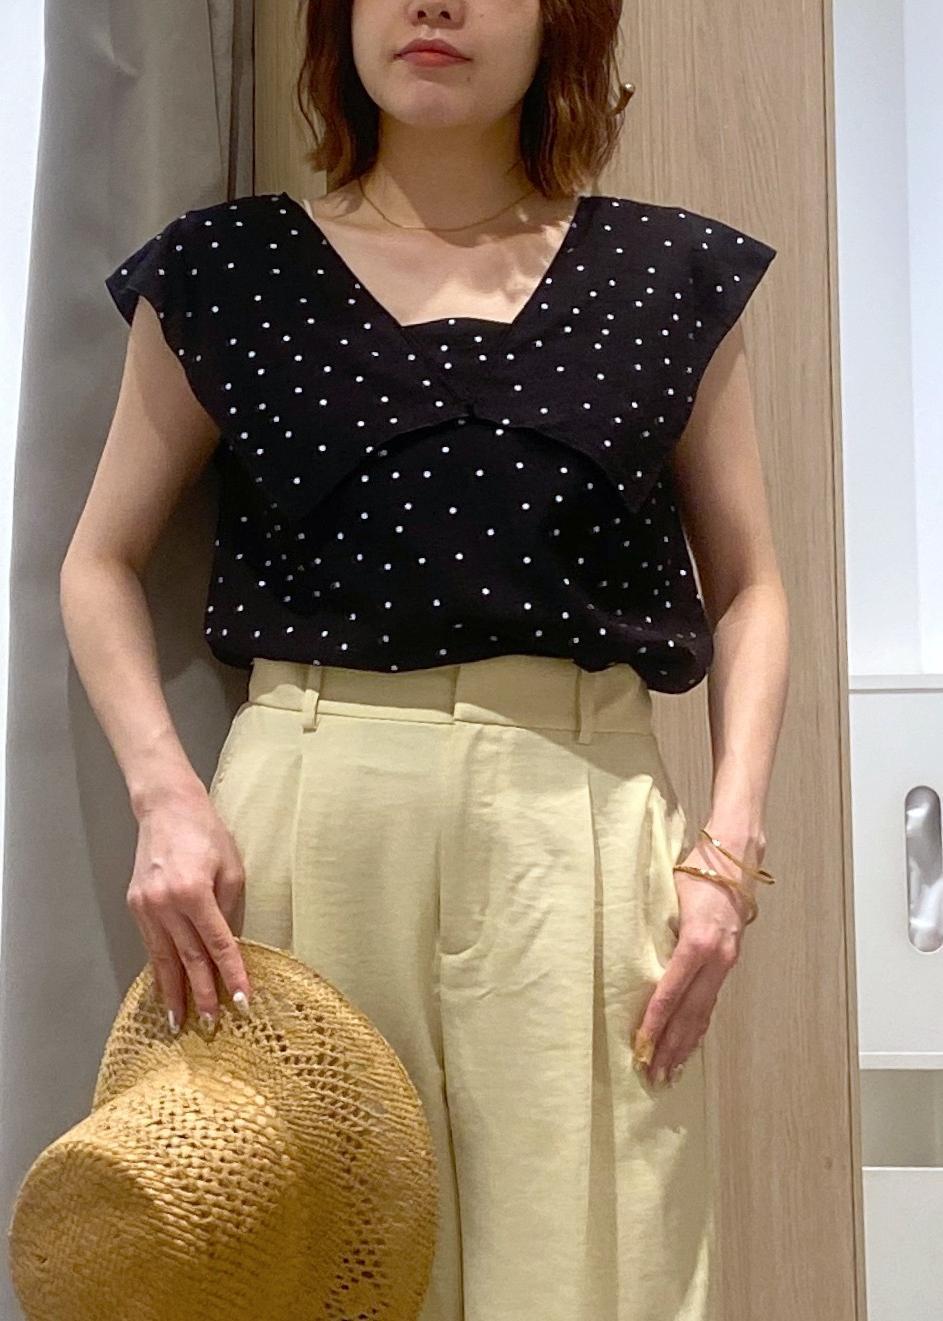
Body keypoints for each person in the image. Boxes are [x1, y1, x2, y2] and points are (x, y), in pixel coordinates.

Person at [62, 1, 789, 1318]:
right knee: (312, 1257)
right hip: (306, 816)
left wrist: (728, 855)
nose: (433, 5)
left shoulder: (667, 275)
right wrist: (166, 797)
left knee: (595, 1261)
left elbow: (748, 588)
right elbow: (98, 562)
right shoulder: (227, 271)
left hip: (578, 819)